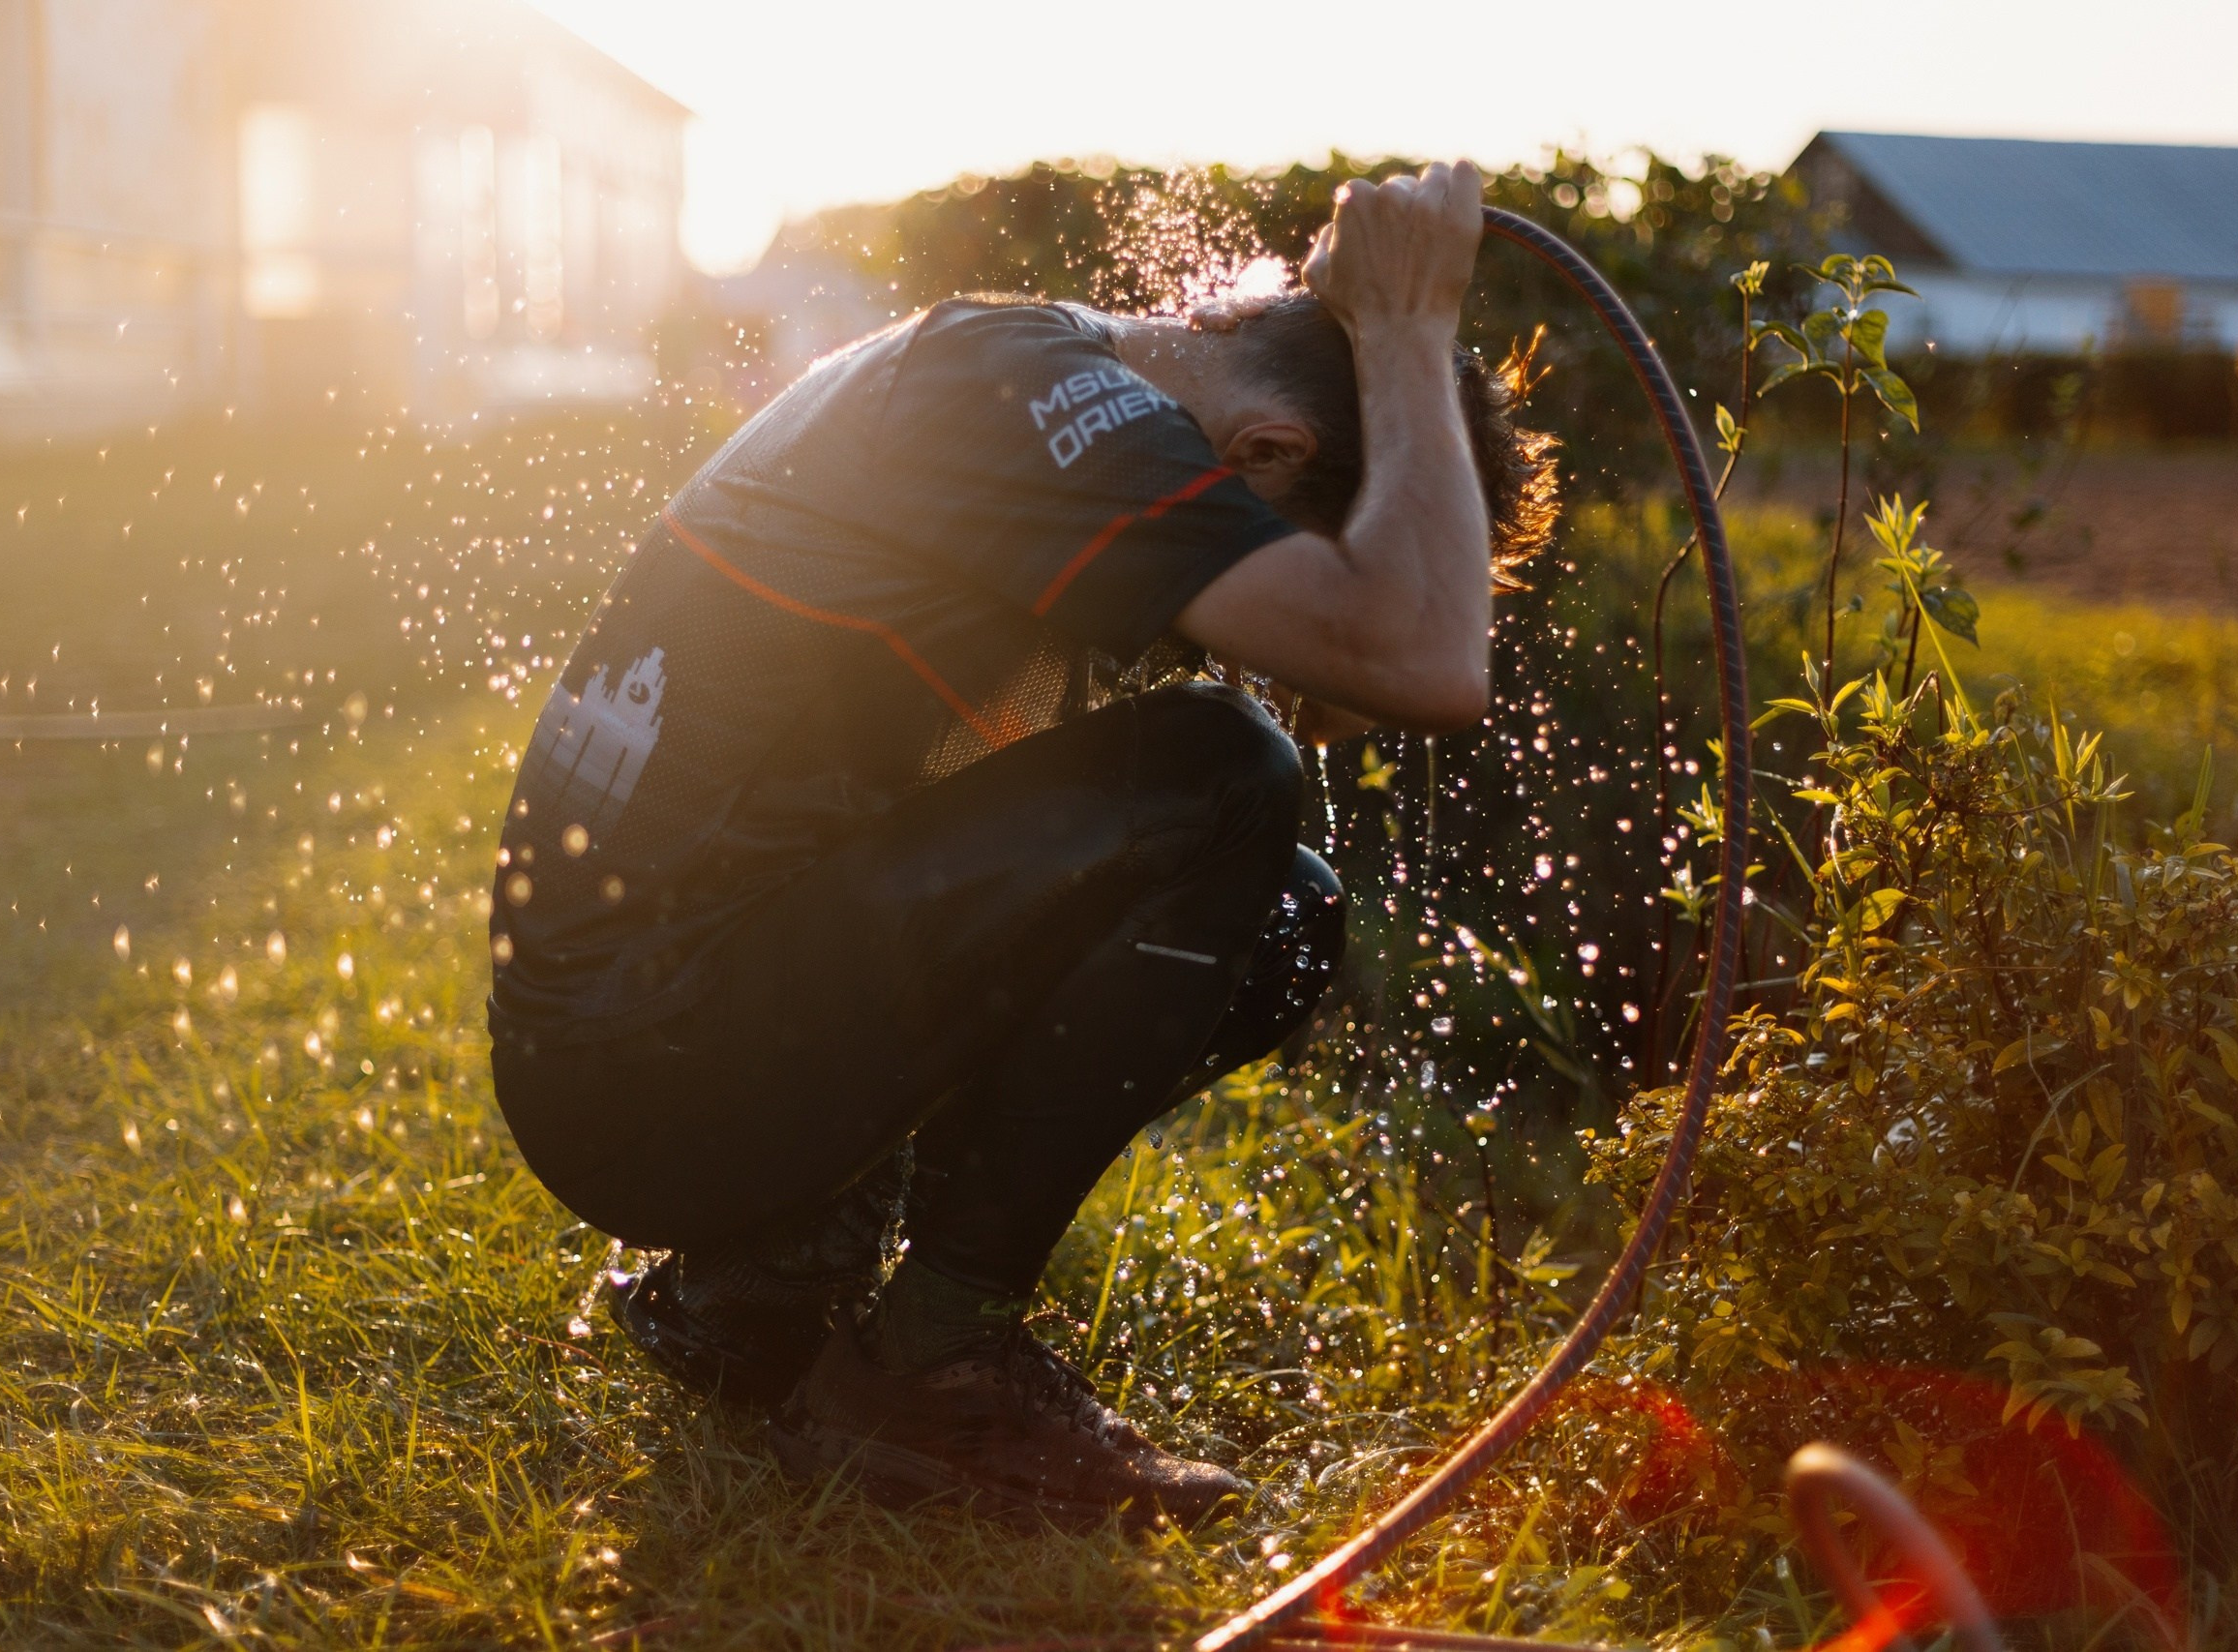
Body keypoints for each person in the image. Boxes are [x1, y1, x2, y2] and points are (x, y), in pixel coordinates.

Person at [486, 161, 1558, 1530]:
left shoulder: (1028, 383)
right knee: (1228, 774)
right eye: (1286, 651)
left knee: (1282, 916)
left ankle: (764, 1281)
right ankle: (922, 1364)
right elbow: (1420, 656)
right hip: (637, 1059)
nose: (1256, 668)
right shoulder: (1023, 391)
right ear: (1267, 456)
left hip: (657, 1045)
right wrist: (1410, 328)